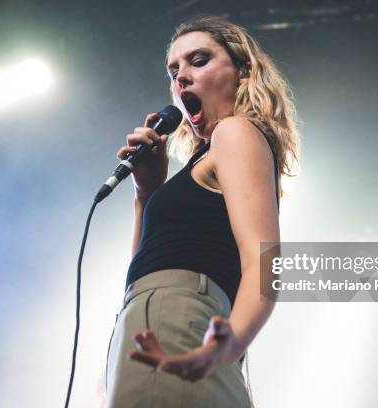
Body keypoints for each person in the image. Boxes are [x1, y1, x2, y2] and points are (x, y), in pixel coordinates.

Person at [105, 15, 299, 408]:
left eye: (199, 60)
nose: (181, 78)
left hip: (179, 311)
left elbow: (265, 262)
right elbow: (144, 266)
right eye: (173, 70)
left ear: (243, 72)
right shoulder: (201, 161)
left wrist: (230, 345)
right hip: (152, 310)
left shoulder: (235, 131)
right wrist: (147, 192)